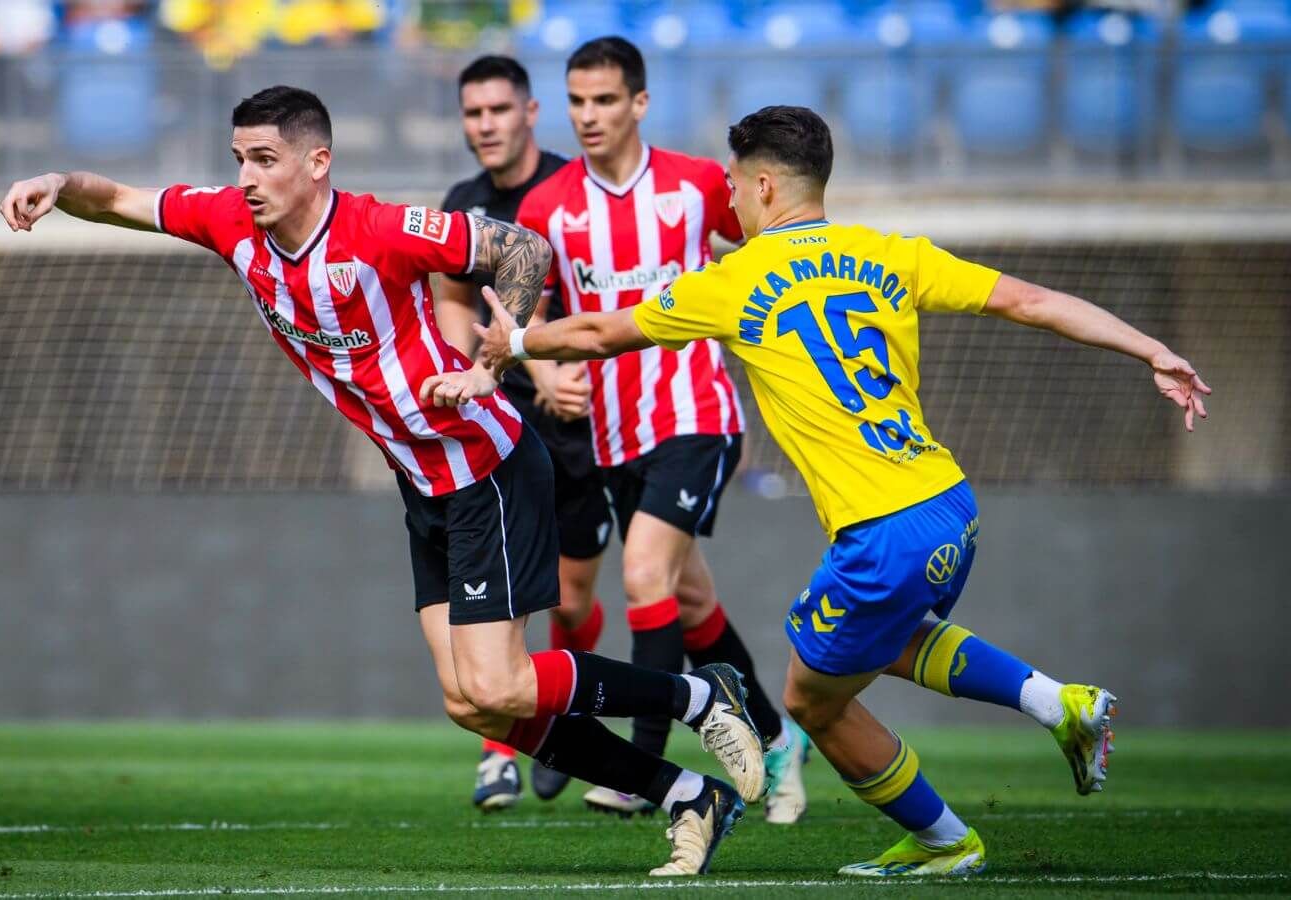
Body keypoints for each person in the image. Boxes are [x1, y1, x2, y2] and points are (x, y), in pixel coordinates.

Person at [0, 85, 767, 877]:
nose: (248, 178)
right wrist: (59, 188)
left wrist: (491, 360)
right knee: (471, 703)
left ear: (318, 161)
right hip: (422, 484)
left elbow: (522, 248)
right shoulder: (231, 222)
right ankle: (686, 794)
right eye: (240, 161)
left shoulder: (377, 229)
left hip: (485, 469)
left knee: (499, 682)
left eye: (265, 160)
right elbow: (122, 198)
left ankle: (699, 698)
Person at [435, 104, 1210, 877]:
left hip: (881, 529)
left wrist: (519, 342)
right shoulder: (889, 253)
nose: (730, 202)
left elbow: (606, 333)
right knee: (891, 640)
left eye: (735, 186)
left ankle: (947, 842)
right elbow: (1029, 301)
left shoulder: (737, 279)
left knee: (810, 700)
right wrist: (1149, 349)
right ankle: (1056, 703)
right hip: (948, 503)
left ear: (765, 185)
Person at [512, 36, 807, 823]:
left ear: (640, 103)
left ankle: (641, 769)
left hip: (694, 413)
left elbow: (781, 250)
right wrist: (544, 372)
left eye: (605, 100)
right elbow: (532, 316)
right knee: (687, 596)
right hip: (612, 431)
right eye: (577, 102)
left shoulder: (698, 186)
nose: (589, 116)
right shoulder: (548, 207)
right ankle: (779, 741)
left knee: (644, 573)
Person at [436, 54, 608, 812]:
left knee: (569, 600)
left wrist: (545, 362)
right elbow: (447, 299)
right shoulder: (462, 203)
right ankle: (498, 751)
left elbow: (599, 301)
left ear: (531, 113)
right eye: (474, 113)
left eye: (499, 110)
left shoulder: (572, 193)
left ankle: (567, 717)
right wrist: (496, 366)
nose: (486, 126)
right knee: (504, 600)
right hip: (493, 421)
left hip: (574, 422)